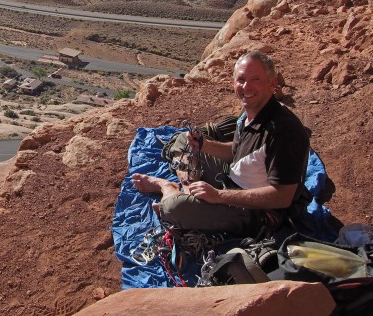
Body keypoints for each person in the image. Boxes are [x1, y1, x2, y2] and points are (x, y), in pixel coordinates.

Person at [132, 50, 311, 237]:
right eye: (241, 80)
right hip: (233, 179)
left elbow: (282, 197)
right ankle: (189, 187)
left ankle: (168, 187)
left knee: (172, 208)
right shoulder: (250, 113)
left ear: (273, 83)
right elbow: (237, 152)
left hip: (260, 212)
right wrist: (204, 145)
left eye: (256, 79)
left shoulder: (283, 131)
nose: (246, 87)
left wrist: (218, 196)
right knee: (183, 140)